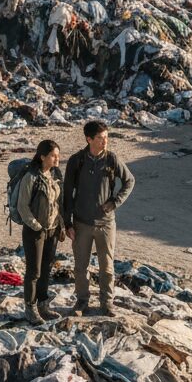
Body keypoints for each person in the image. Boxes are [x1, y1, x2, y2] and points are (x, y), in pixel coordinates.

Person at [62, 121, 135, 317]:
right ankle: (82, 302)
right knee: (80, 267)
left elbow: (129, 180)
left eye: (106, 138)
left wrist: (115, 201)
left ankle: (107, 303)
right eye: (101, 138)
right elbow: (67, 193)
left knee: (107, 267)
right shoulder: (76, 161)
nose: (105, 142)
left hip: (106, 224)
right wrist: (67, 223)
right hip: (81, 223)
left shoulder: (111, 159)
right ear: (89, 139)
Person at [17, 138, 65, 325]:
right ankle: (30, 308)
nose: (57, 159)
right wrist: (36, 226)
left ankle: (43, 305)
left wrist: (60, 225)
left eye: (58, 156)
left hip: (52, 230)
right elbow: (23, 206)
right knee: (34, 271)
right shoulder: (30, 177)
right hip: (34, 231)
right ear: (43, 156)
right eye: (53, 156)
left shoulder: (55, 175)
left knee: (46, 269)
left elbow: (57, 204)